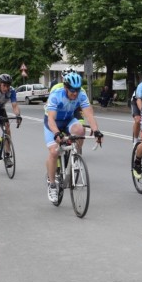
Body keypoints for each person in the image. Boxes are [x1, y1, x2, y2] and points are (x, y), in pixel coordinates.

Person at [44, 71, 103, 203]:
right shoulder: (56, 95)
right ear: (65, 87)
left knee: (80, 130)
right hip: (53, 123)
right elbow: (51, 120)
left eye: (77, 90)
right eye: (72, 90)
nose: (75, 93)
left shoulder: (81, 94)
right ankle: (52, 184)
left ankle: (75, 154)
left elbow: (89, 114)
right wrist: (56, 133)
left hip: (68, 120)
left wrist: (96, 130)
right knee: (54, 151)